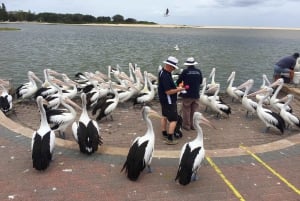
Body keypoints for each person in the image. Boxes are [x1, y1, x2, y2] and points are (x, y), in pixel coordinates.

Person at [158, 56, 185, 145]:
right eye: (173, 67)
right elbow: (168, 92)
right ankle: (170, 138)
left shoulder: (162, 71)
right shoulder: (166, 76)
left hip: (163, 99)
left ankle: (164, 132)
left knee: (164, 116)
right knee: (174, 120)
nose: (173, 69)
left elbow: (167, 88)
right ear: (169, 66)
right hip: (169, 101)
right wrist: (179, 89)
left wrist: (176, 88)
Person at [176, 57, 202, 131]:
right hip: (196, 94)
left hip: (187, 94)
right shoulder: (198, 71)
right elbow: (200, 82)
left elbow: (179, 81)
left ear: (187, 64)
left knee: (186, 109)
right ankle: (193, 125)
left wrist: (180, 85)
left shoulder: (185, 71)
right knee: (194, 110)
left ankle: (187, 126)